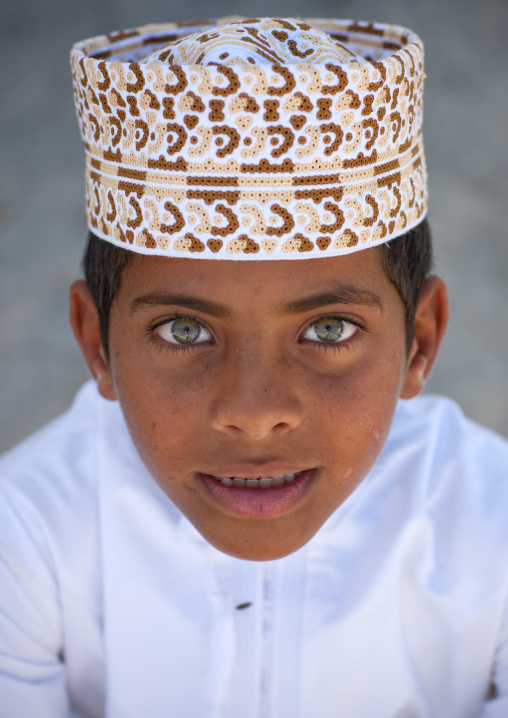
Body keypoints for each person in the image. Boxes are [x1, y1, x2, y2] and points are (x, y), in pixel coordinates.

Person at [0, 16, 507, 718]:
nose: (253, 408)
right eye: (185, 331)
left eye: (329, 329)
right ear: (97, 342)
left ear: (419, 342)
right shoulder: (26, 534)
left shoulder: (494, 522)